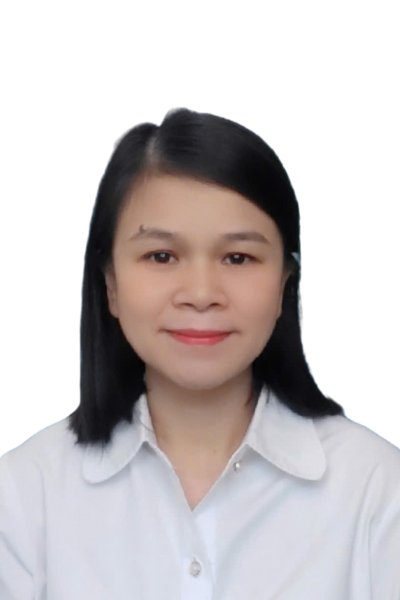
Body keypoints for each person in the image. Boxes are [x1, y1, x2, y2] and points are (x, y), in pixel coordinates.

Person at [0, 108, 399, 600]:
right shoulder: (24, 497)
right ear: (110, 284)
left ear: (284, 284)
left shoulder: (377, 491)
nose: (202, 293)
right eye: (161, 256)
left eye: (238, 257)